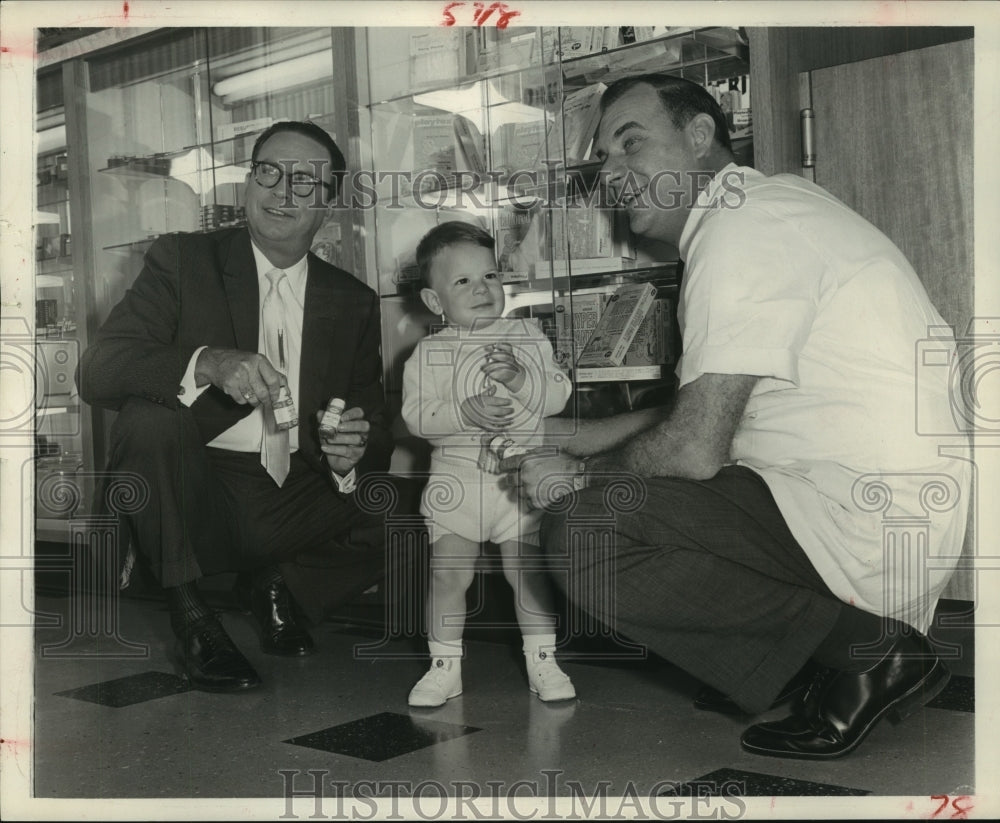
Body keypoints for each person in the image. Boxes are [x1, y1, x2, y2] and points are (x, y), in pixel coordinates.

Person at [500, 75, 971, 759]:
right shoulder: (768, 206)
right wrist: (571, 435)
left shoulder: (738, 230)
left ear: (699, 137)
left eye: (631, 143)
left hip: (856, 525)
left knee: (587, 531)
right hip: (877, 514)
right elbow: (714, 407)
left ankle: (866, 654)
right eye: (604, 158)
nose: (612, 174)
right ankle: (825, 651)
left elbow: (693, 449)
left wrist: (577, 476)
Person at [78, 121, 392, 692]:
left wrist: (351, 450)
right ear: (249, 181)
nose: (281, 191)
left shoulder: (352, 300)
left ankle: (279, 586)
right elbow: (97, 370)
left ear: (329, 201)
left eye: (304, 181)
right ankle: (192, 616)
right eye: (268, 171)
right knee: (148, 418)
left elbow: (372, 419)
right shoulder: (182, 260)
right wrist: (206, 362)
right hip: (194, 484)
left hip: (293, 488)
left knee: (421, 501)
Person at [401, 221, 576, 707]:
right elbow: (416, 418)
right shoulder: (428, 353)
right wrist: (461, 413)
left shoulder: (527, 335)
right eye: (462, 282)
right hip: (455, 485)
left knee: (527, 573)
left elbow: (559, 396)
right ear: (435, 302)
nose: (481, 289)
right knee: (447, 575)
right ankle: (444, 666)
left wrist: (523, 380)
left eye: (491, 276)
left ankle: (543, 660)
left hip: (517, 483)